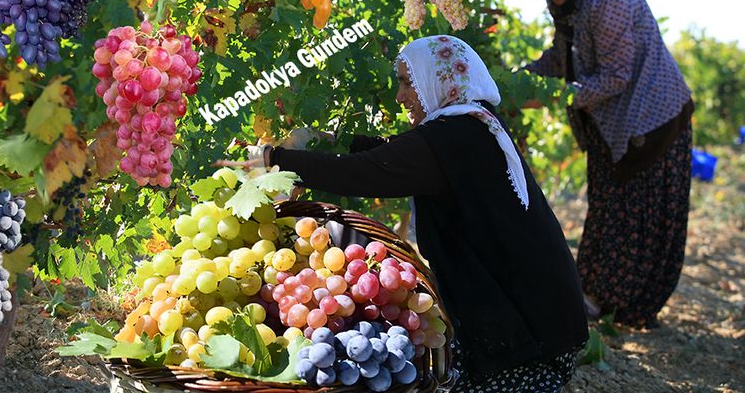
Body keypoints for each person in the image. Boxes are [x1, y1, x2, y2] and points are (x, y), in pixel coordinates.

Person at [241, 35, 589, 392]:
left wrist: (276, 159)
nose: (400, 95)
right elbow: (392, 156)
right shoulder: (470, 126)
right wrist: (329, 141)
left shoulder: (455, 136)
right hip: (544, 316)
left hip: (531, 335)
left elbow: (371, 171)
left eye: (408, 82)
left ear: (438, 79)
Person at [518, 0, 694, 328]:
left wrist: (551, 96)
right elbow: (559, 57)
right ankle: (594, 296)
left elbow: (616, 77)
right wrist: (520, 82)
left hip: (650, 122)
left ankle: (613, 305)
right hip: (611, 125)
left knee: (634, 219)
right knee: (608, 211)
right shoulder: (571, 1)